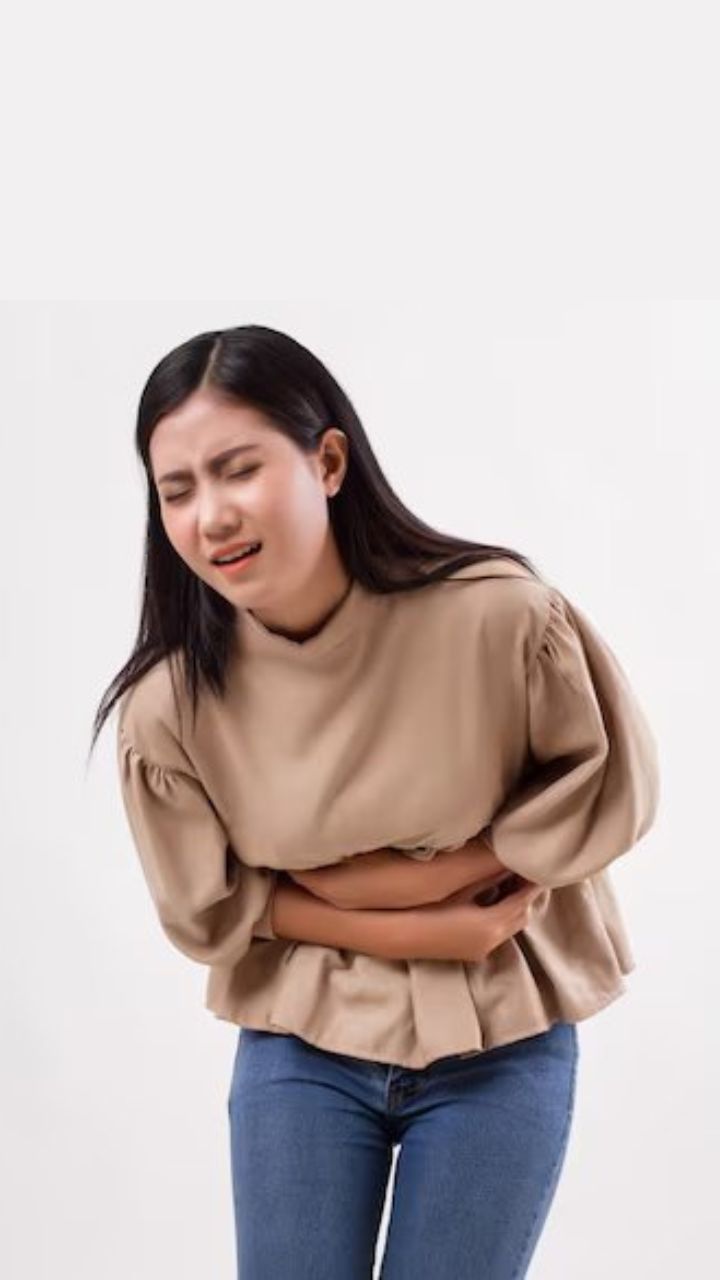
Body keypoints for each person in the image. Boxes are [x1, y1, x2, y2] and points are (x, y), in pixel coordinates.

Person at [90, 324, 660, 1279]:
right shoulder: (169, 709)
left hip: (502, 1038)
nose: (211, 516)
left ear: (328, 461)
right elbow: (206, 912)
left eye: (238, 469)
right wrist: (419, 919)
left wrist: (407, 880)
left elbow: (604, 785)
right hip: (302, 1047)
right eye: (176, 490)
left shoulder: (501, 617)